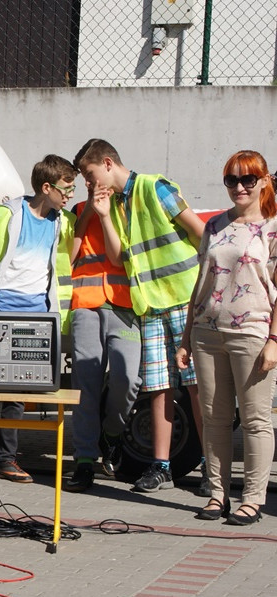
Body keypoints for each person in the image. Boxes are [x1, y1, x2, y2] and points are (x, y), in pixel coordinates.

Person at [74, 139, 205, 494]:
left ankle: (212, 466)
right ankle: (161, 466)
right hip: (148, 304)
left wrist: (210, 286)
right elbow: (117, 259)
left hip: (182, 298)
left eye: (89, 174)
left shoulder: (154, 187)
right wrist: (101, 215)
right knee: (159, 386)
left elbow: (199, 231)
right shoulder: (113, 204)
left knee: (195, 387)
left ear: (107, 163)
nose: (88, 182)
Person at [0, 154, 76, 484]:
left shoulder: (62, 222)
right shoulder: (6, 214)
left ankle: (7, 460)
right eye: (67, 187)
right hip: (0, 312)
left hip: (36, 318)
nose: (71, 194)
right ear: (46, 187)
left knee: (17, 396)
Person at [176, 151, 277, 525]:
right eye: (231, 180)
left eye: (248, 179)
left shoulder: (273, 227)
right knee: (213, 417)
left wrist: (274, 340)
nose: (239, 187)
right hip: (207, 332)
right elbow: (200, 285)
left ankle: (253, 499)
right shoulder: (215, 225)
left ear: (264, 180)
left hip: (252, 333)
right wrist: (186, 338)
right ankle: (217, 494)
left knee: (255, 420)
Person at [63, 176, 142, 493]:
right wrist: (86, 213)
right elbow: (68, 258)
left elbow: (116, 256)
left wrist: (106, 214)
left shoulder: (128, 210)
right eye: (89, 180)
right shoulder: (77, 210)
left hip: (123, 305)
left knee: (128, 377)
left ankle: (110, 434)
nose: (95, 185)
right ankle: (84, 461)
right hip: (85, 304)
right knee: (86, 382)